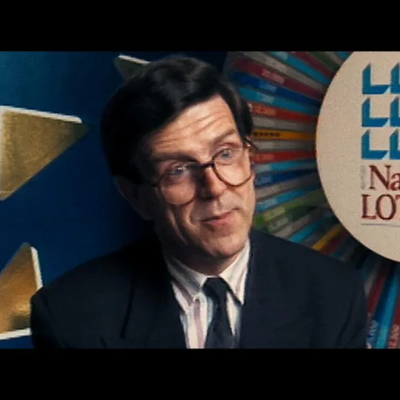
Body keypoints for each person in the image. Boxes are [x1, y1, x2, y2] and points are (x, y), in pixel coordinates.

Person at [29, 54, 368, 348]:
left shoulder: (335, 295)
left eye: (226, 153)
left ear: (250, 159)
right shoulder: (69, 318)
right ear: (135, 195)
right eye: (178, 170)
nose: (215, 188)